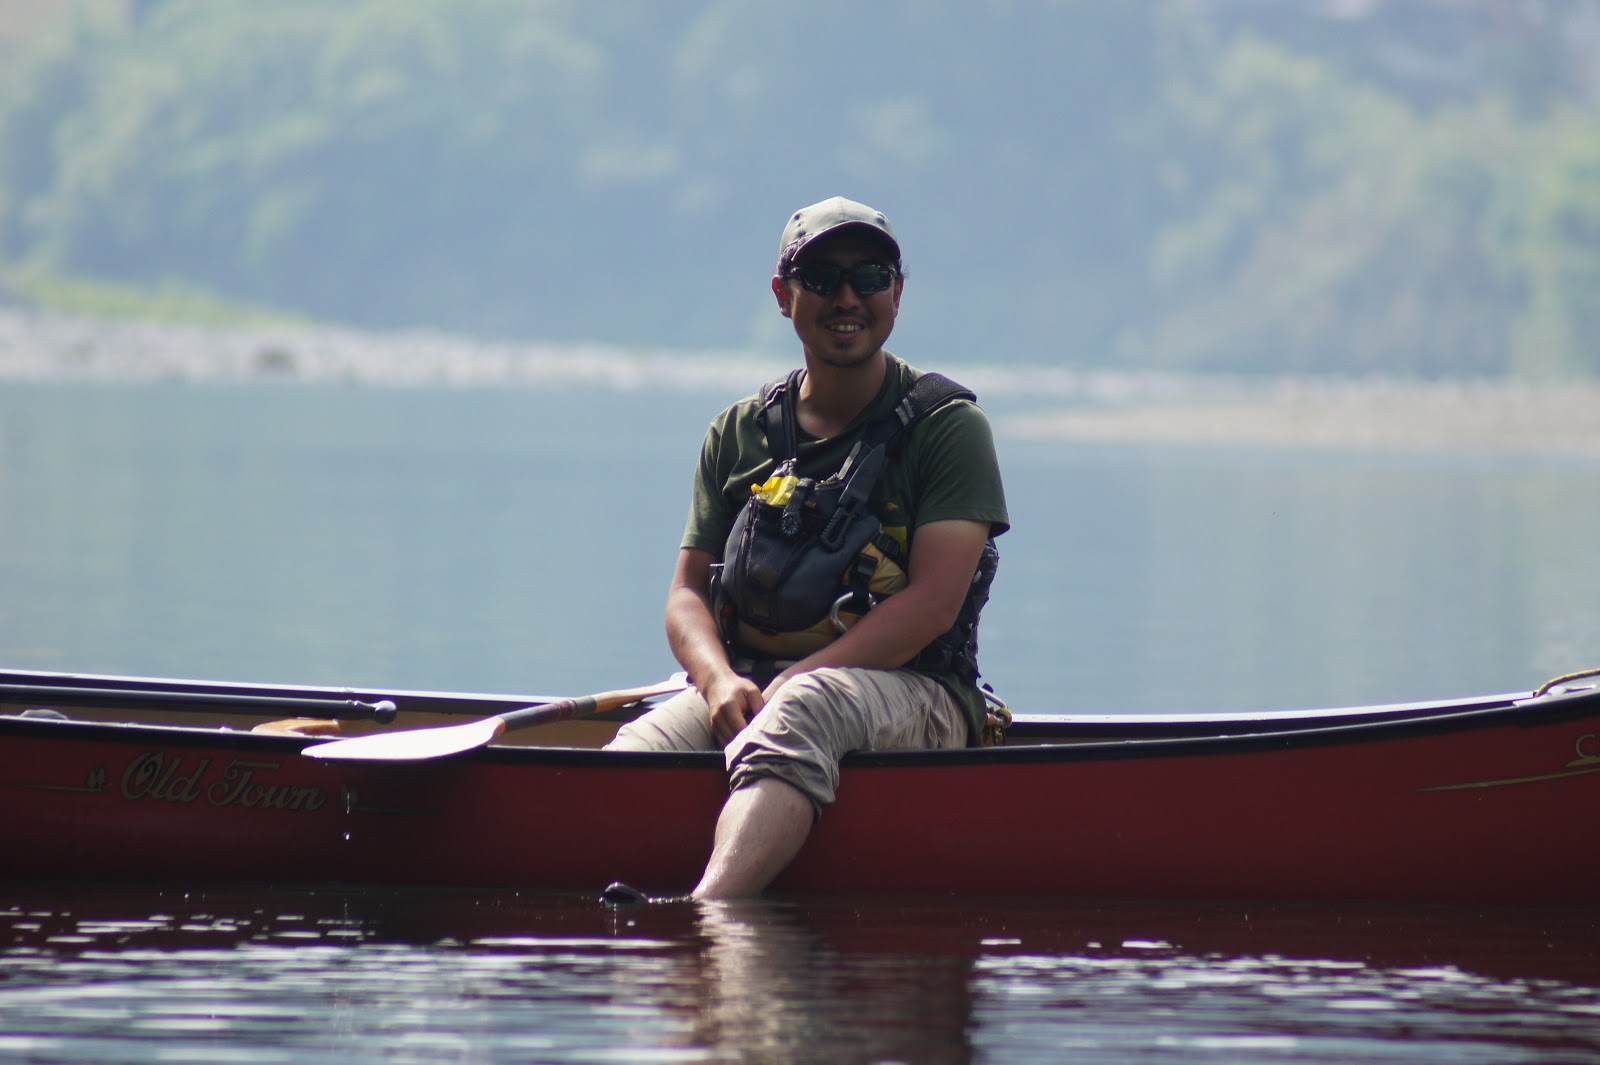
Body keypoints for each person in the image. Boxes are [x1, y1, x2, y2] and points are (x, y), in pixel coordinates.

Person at [605, 196, 1008, 899]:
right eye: (820, 278)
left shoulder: (948, 429)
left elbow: (933, 604)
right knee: (633, 756)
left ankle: (712, 915)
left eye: (869, 277)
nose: (846, 297)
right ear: (783, 295)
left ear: (897, 294)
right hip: (750, 685)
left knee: (807, 703)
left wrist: (798, 677)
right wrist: (717, 681)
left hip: (919, 695)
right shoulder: (739, 432)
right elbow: (687, 594)